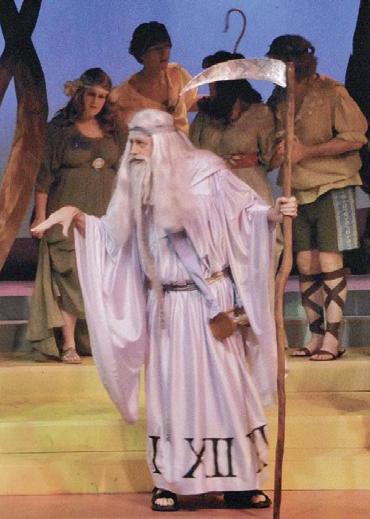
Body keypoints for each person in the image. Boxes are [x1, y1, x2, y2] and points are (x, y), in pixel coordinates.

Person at [32, 109, 298, 512]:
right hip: (167, 307)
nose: (134, 150)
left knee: (227, 390)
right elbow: (113, 237)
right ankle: (170, 481)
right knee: (172, 392)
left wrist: (276, 213)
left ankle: (240, 481)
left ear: (163, 142)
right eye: (132, 143)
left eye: (141, 143)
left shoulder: (208, 174)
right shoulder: (135, 186)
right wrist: (78, 217)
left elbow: (248, 214)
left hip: (212, 303)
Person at [267, 35, 368, 361]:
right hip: (297, 189)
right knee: (305, 263)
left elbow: (355, 137)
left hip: (332, 184)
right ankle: (315, 334)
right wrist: (279, 152)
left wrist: (308, 151)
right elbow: (273, 142)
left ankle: (333, 339)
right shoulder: (279, 98)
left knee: (329, 261)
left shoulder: (331, 92)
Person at [27, 68, 121, 364]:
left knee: (102, 277)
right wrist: (40, 216)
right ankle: (69, 343)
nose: (96, 102)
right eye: (91, 94)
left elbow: (125, 170)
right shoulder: (60, 129)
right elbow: (44, 176)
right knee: (71, 275)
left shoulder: (113, 129)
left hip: (103, 213)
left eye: (102, 96)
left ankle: (98, 340)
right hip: (65, 211)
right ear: (79, 93)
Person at [190, 52, 276, 206]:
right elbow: (192, 152)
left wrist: (250, 159)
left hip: (249, 193)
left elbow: (269, 157)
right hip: (214, 193)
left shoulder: (259, 113)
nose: (210, 87)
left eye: (213, 82)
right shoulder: (205, 115)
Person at [110, 21, 196, 135]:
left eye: (167, 46)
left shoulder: (177, 74)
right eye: (157, 48)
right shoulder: (124, 95)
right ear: (141, 54)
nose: (164, 52)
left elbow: (189, 103)